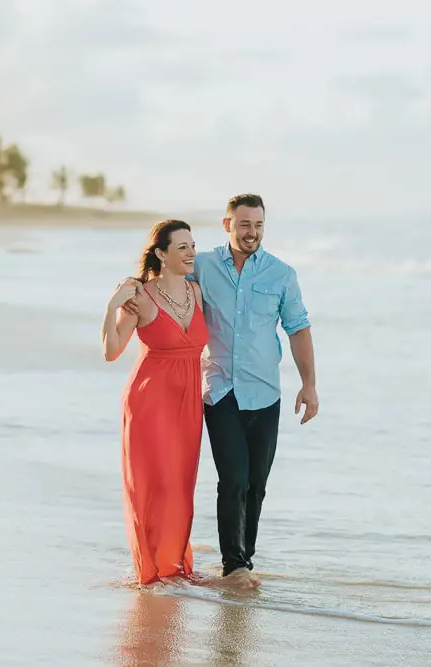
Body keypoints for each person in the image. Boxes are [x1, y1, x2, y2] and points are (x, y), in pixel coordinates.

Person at [122, 194, 318, 584]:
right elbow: (167, 281)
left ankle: (246, 556)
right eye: (245, 224)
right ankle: (234, 565)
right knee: (233, 478)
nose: (252, 232)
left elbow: (298, 328)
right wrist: (132, 286)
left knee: (256, 485)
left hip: (265, 393)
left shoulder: (282, 274)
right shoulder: (205, 265)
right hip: (219, 390)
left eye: (259, 225)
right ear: (228, 225)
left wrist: (309, 385)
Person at [101, 219, 208, 587]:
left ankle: (173, 565)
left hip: (189, 401)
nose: (191, 252)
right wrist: (111, 306)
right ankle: (153, 569)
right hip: (150, 401)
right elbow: (112, 351)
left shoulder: (198, 291)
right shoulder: (140, 296)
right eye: (182, 247)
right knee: (154, 482)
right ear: (161, 254)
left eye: (193, 245)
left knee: (179, 484)